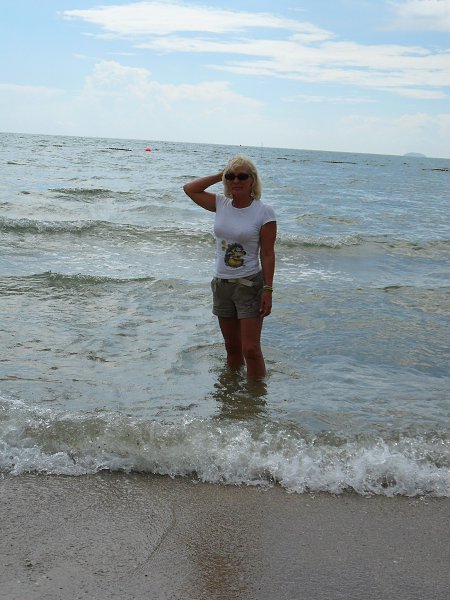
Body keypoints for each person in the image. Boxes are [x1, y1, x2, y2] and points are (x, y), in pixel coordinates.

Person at [183, 155, 276, 379]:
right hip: (222, 284)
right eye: (231, 176)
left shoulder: (264, 212)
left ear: (252, 180)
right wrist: (220, 174)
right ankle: (232, 393)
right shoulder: (221, 204)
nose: (236, 180)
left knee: (251, 350)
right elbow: (189, 189)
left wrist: (268, 289)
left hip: (249, 285)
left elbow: (267, 254)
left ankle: (257, 395)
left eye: (242, 176)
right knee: (232, 348)